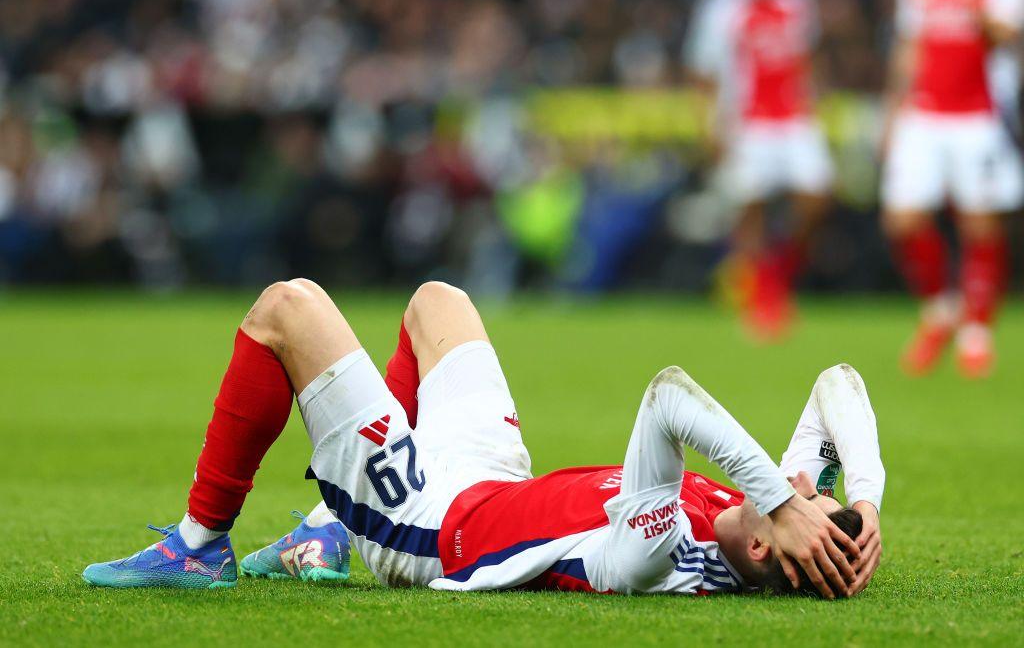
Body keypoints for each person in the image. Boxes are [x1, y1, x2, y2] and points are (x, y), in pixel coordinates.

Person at [83, 280, 883, 598]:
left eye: (797, 505)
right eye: (809, 491)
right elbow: (836, 384)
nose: (798, 485)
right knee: (438, 302)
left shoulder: (657, 551)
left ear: (767, 550)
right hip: (491, 476)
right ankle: (327, 531)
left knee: (287, 309)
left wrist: (779, 497)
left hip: (432, 526)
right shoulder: (771, 514)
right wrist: (865, 496)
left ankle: (199, 541)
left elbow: (667, 397)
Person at [881, 0, 1024, 378]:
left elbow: (1009, 34)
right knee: (902, 220)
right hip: (923, 113)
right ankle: (941, 310)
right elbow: (911, 40)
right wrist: (894, 107)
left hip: (977, 114)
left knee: (980, 223)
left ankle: (976, 334)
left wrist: (979, 14)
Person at [686, 0, 833, 340]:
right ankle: (765, 299)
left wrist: (816, 97)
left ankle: (775, 275)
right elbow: (703, 72)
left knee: (816, 199)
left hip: (795, 116)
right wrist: (708, 124)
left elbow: (809, 53)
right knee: (750, 209)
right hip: (747, 120)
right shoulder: (723, 5)